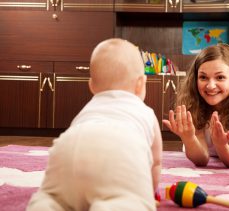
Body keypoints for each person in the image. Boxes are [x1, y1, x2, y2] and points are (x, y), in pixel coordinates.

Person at [27, 38, 163, 211]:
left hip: (70, 145)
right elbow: (156, 162)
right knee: (126, 201)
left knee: (53, 198)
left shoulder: (87, 109)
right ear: (140, 84)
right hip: (123, 149)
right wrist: (146, 193)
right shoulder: (146, 113)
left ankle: (48, 204)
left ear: (91, 86)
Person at [163, 43, 229, 168]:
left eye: (220, 77)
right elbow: (201, 160)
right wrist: (188, 138)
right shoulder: (191, 99)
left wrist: (221, 145)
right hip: (207, 146)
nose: (211, 86)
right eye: (203, 77)